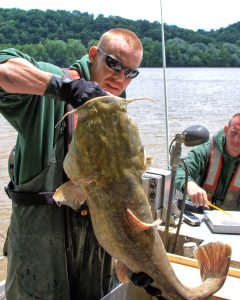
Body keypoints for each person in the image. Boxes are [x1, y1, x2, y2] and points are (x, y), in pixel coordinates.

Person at [0, 28, 144, 300]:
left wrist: (134, 257)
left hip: (96, 247)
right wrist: (64, 89)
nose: (120, 77)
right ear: (93, 55)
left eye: (130, 72)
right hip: (41, 243)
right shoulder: (54, 82)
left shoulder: (118, 111)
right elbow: (2, 70)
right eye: (114, 64)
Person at [175, 113, 240, 211]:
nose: (237, 140)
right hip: (201, 216)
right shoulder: (205, 150)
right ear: (226, 130)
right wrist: (188, 184)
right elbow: (176, 169)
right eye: (234, 133)